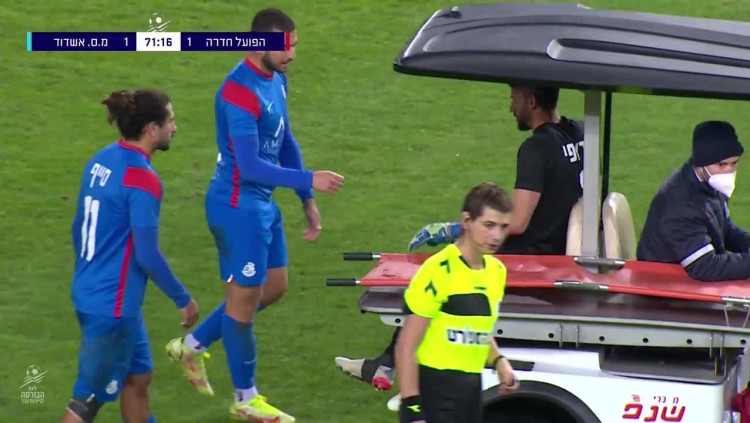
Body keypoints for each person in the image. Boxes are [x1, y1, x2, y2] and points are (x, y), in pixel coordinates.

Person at [335, 85, 584, 391]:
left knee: (440, 278)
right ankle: (386, 364)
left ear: (531, 101)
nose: (510, 108)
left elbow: (517, 222)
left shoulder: (536, 148)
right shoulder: (578, 132)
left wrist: (456, 230)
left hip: (532, 259)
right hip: (558, 250)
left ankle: (393, 367)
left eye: (514, 99)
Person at [164, 8, 344, 423]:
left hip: (262, 204)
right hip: (236, 207)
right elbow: (248, 166)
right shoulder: (238, 92)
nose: (292, 55)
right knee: (242, 307)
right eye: (285, 47)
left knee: (273, 288)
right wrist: (310, 178)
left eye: (294, 46)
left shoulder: (276, 79)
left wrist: (306, 199)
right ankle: (245, 399)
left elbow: (285, 140)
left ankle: (190, 347)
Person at [61, 89, 199, 423]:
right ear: (152, 129)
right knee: (87, 400)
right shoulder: (143, 180)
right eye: (170, 121)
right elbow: (147, 253)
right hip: (113, 306)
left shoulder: (102, 160)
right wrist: (183, 299)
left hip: (94, 292)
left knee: (138, 377)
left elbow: (77, 227)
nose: (175, 128)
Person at [396, 181, 520, 423]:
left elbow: (476, 329)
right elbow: (406, 346)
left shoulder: (496, 271)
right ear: (466, 221)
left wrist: (499, 361)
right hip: (434, 395)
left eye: (503, 227)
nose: (496, 236)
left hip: (471, 395)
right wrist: (413, 410)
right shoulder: (438, 270)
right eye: (489, 225)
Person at [637, 120, 750, 281]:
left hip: (683, 277)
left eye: (734, 163)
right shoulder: (680, 204)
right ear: (702, 163)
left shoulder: (710, 183)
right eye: (721, 165)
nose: (729, 171)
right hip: (664, 285)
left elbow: (723, 228)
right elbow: (705, 266)